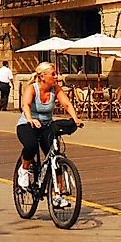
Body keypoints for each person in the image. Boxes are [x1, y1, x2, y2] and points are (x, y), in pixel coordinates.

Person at [16, 62, 82, 208]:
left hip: (46, 126)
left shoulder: (55, 89)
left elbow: (67, 104)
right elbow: (25, 105)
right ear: (42, 76)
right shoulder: (32, 88)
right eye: (53, 74)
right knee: (31, 146)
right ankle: (24, 170)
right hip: (27, 124)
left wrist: (76, 119)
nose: (56, 76)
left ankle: (58, 195)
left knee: (55, 157)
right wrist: (30, 119)